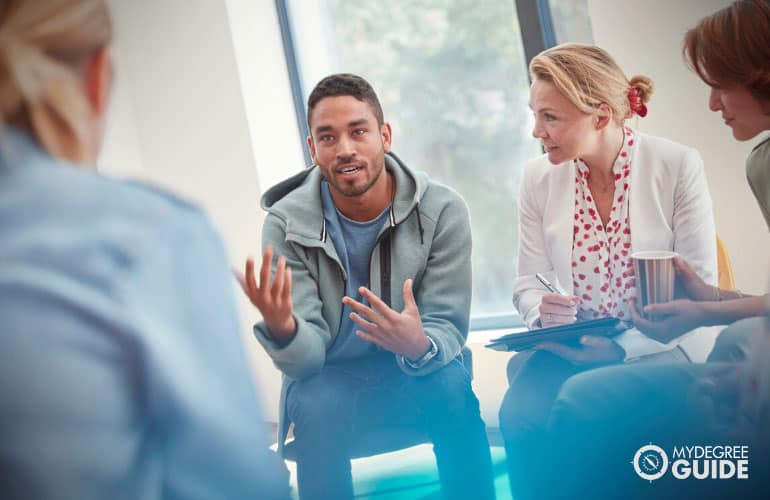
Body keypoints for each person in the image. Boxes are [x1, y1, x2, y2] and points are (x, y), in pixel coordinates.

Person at [0, 1, 289, 499]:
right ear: (97, 76)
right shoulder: (148, 235)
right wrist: (283, 328)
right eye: (327, 136)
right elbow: (232, 486)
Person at [543, 1, 770, 498]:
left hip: (663, 349)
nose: (712, 103)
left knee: (589, 401)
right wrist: (712, 302)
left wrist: (706, 313)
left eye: (721, 83)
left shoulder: (702, 163)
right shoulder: (763, 159)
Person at [236, 73, 495, 500]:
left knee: (450, 384)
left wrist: (419, 343)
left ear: (385, 135)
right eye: (328, 137)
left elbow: (447, 325)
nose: (345, 149)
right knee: (315, 402)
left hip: (415, 368)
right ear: (313, 149)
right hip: (333, 378)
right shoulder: (284, 225)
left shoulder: (442, 210)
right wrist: (285, 330)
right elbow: (305, 363)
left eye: (358, 131)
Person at [499, 43, 718, 500]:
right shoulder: (538, 178)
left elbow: (700, 295)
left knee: (581, 411)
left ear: (601, 116)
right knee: (519, 411)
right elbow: (527, 280)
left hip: (661, 345)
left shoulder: (676, 166)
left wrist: (619, 352)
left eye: (550, 118)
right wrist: (543, 309)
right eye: (534, 114)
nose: (536, 131)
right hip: (577, 343)